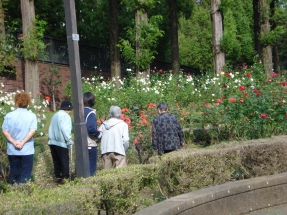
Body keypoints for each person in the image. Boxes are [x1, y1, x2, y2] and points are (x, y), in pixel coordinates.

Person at [2, 92, 37, 184]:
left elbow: (5, 131)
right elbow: (32, 131)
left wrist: (14, 142)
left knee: (14, 172)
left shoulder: (9, 115)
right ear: (28, 102)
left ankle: (13, 190)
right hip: (27, 149)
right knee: (26, 173)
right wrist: (23, 142)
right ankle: (23, 191)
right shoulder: (32, 116)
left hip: (12, 149)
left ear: (16, 102)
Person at [48, 100, 73, 184]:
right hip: (61, 142)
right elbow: (64, 129)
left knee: (56, 160)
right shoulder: (66, 116)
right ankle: (65, 177)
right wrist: (69, 140)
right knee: (64, 160)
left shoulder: (55, 115)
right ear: (67, 109)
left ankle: (57, 176)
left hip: (52, 141)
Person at [83, 92, 102, 176]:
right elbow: (90, 129)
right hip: (89, 144)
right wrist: (99, 134)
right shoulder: (91, 113)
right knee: (91, 170)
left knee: (82, 169)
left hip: (81, 144)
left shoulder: (80, 112)